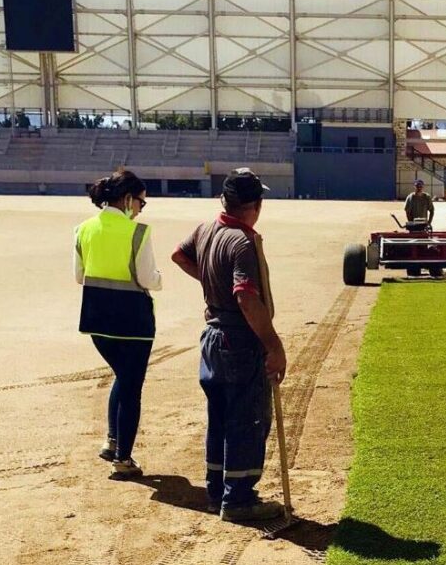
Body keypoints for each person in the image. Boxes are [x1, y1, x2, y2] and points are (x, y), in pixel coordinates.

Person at [171, 168, 287, 523]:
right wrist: (273, 345)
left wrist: (210, 280)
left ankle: (217, 491)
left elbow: (180, 255)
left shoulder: (207, 230)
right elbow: (247, 299)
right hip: (239, 340)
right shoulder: (242, 241)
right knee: (247, 419)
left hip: (212, 337)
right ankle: (238, 499)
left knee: (220, 418)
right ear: (255, 204)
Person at [75, 170, 162, 479]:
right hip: (133, 321)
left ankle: (112, 442)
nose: (140, 209)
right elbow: (148, 278)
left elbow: (78, 275)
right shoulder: (137, 232)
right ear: (128, 199)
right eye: (141, 202)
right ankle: (123, 458)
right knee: (131, 386)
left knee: (122, 378)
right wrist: (159, 279)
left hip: (97, 319)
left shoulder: (83, 229)